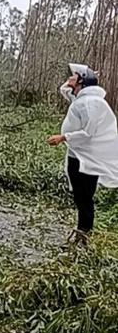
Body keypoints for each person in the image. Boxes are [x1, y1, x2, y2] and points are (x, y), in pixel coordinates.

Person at [48, 62, 118, 242]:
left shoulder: (91, 103)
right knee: (80, 197)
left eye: (74, 75)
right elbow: (64, 90)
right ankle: (81, 233)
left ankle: (83, 235)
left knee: (84, 198)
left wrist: (63, 137)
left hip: (87, 159)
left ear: (82, 81)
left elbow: (89, 132)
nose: (69, 78)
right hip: (77, 156)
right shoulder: (81, 98)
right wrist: (81, 78)